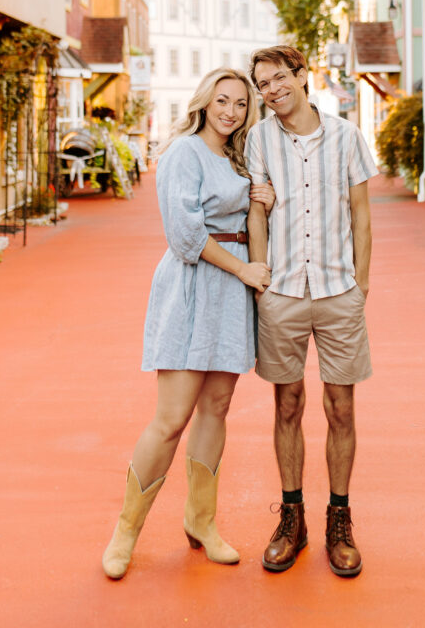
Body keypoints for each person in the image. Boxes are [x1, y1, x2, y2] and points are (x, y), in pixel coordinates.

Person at [101, 68, 273, 580]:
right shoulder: (183, 152)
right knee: (172, 417)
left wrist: (265, 202)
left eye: (241, 104)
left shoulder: (238, 157)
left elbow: (246, 221)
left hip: (231, 293)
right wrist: (243, 267)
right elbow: (184, 236)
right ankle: (125, 531)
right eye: (222, 100)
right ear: (205, 101)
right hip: (194, 287)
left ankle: (201, 521)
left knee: (217, 408)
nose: (231, 111)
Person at [245, 45, 378, 578]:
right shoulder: (258, 139)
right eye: (264, 85)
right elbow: (258, 212)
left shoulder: (347, 137)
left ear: (303, 76)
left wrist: (360, 289)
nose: (272, 90)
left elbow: (362, 217)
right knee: (287, 406)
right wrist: (262, 283)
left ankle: (339, 519)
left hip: (337, 291)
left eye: (279, 79)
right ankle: (292, 517)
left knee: (341, 409)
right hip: (283, 293)